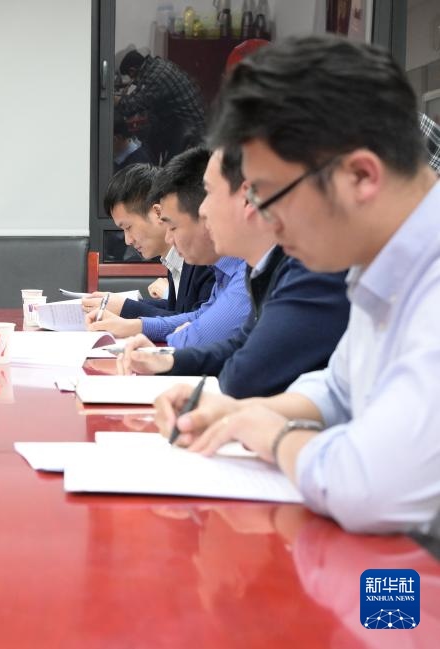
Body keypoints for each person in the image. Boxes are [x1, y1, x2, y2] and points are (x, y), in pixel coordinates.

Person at [154, 35, 440, 534]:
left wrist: (275, 436)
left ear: (360, 176)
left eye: (268, 195)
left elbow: (369, 487)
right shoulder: (378, 265)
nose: (265, 219)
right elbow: (338, 389)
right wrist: (238, 413)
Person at [115, 146, 350, 398]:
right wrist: (167, 359)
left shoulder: (309, 268)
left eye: (210, 193)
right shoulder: (258, 268)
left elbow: (243, 374)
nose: (202, 209)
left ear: (248, 198)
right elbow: (238, 345)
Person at [88, 147, 251, 349]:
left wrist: (166, 346)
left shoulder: (247, 271)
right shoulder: (224, 269)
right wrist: (137, 326)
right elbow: (199, 318)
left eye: (173, 226)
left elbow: (198, 335)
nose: (168, 237)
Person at [86, 163, 214, 319]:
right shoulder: (173, 260)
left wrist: (125, 308)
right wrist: (121, 304)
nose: (127, 241)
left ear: (158, 213)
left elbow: (197, 322)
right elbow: (178, 311)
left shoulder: (205, 259)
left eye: (128, 227)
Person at [117, 48, 206, 164]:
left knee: (156, 150)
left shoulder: (155, 77)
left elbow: (131, 106)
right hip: (180, 122)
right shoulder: (156, 65)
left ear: (132, 70)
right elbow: (142, 93)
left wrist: (114, 100)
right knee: (150, 133)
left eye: (131, 77)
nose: (133, 81)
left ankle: (150, 169)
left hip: (190, 129)